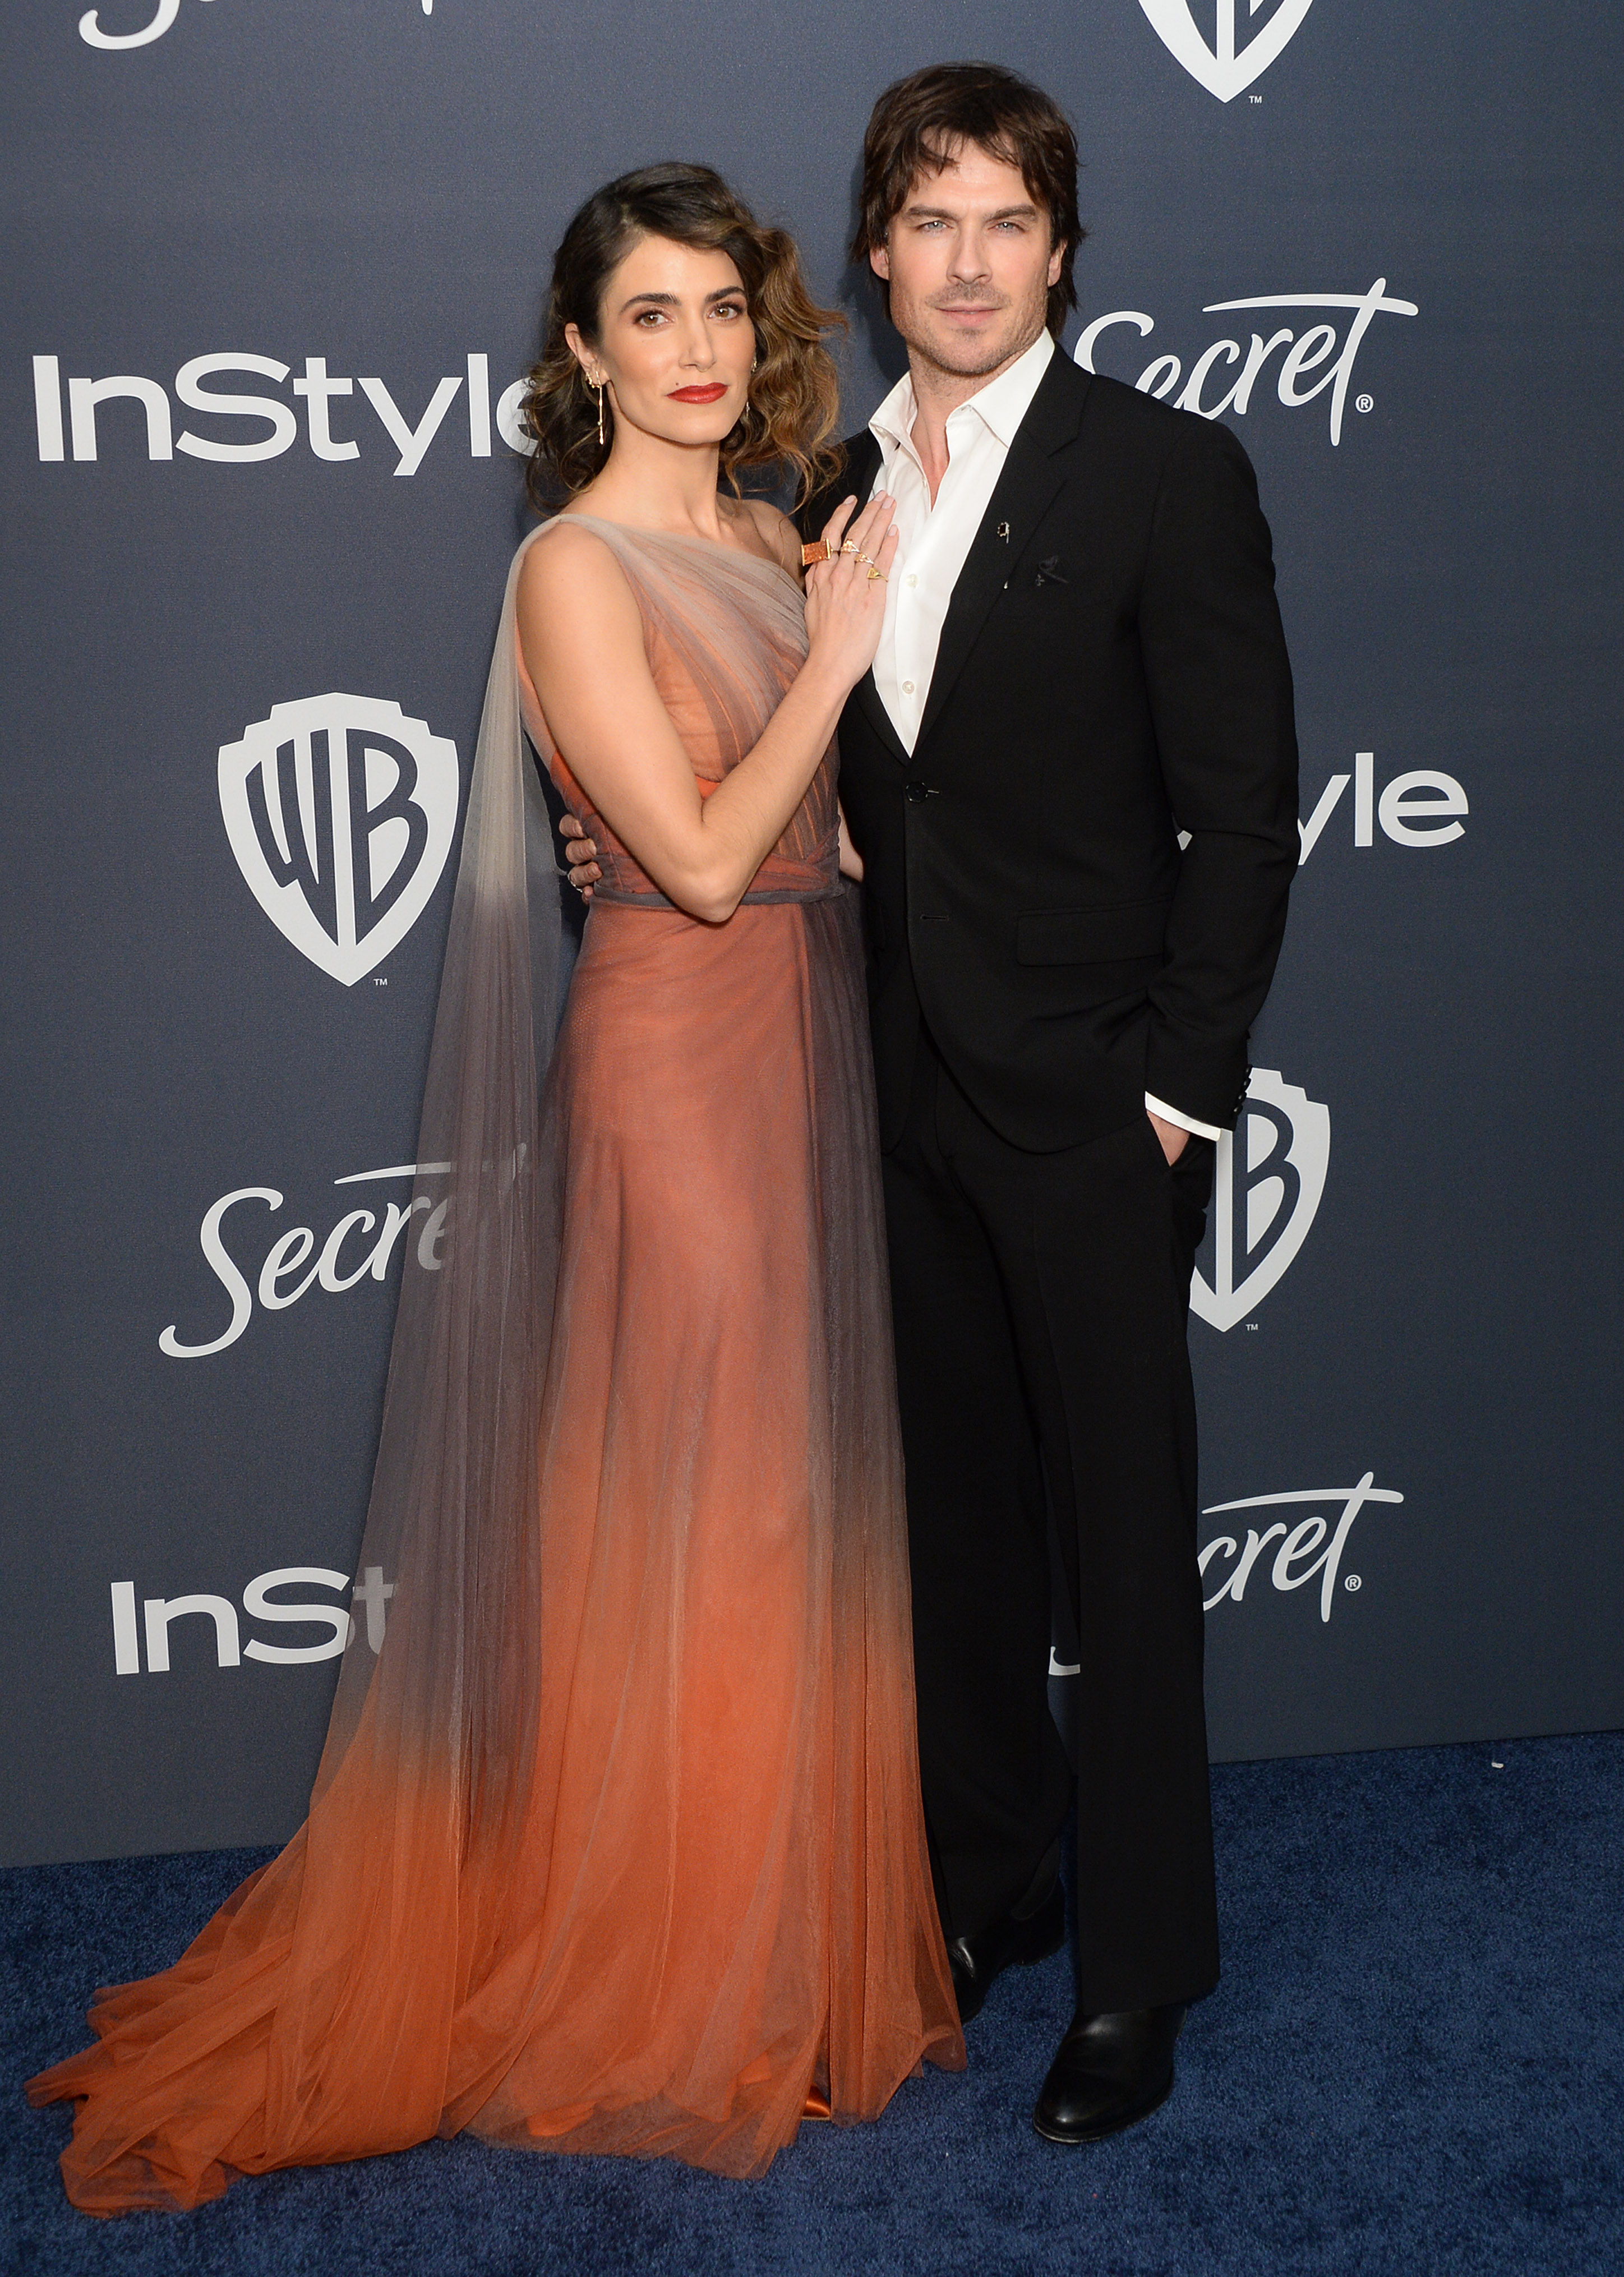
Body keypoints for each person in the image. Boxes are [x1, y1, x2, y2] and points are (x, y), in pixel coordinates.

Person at [28, 163, 962, 2214]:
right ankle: (660, 1974)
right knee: (703, 1489)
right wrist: (845, 640)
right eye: (652, 316)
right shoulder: (573, 570)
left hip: (809, 1041)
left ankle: (766, 1944)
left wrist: (866, 647)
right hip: (678, 1053)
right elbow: (705, 861)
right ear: (579, 348)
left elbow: (841, 857)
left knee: (794, 1496)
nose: (701, 351)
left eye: (727, 310)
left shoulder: (762, 533)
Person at [573, 63, 1300, 2146]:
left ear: (1059, 252)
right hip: (885, 1095)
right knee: (961, 1539)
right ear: (878, 254)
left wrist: (1174, 1091)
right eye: (931, 220)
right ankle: (995, 1881)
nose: (968, 261)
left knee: (1125, 1549)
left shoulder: (1167, 471)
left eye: (1009, 222)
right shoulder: (822, 493)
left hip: (1090, 1111)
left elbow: (1246, 818)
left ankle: (1145, 1972)